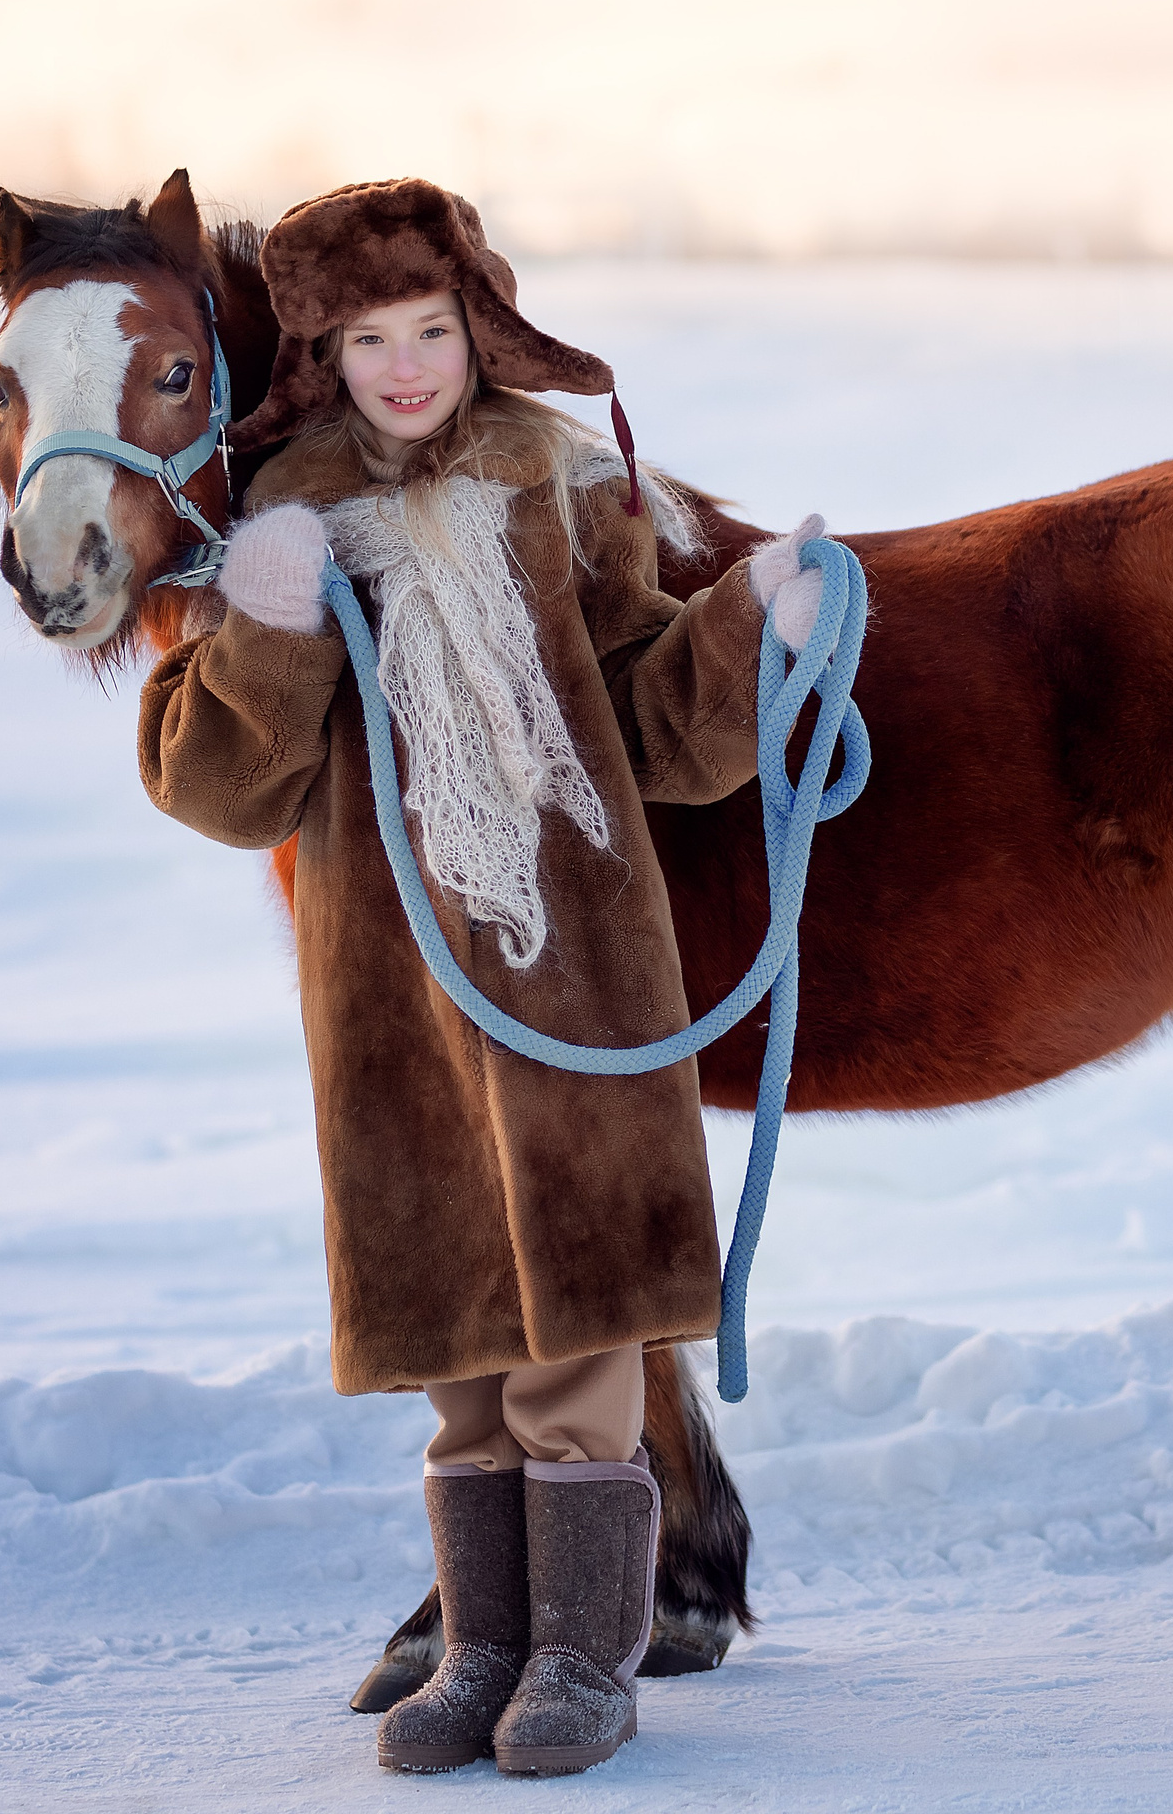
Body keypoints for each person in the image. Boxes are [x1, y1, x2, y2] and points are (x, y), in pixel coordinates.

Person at [136, 178, 825, 1777]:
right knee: (456, 1334)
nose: (403, 365)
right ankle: (485, 1642)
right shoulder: (289, 527)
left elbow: (659, 719)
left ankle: (589, 1652)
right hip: (397, 1008)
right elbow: (219, 785)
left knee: (578, 1338)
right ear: (319, 352)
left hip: (576, 979)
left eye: (429, 330)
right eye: (367, 337)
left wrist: (751, 628)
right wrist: (261, 628)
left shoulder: (563, 489)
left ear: (477, 332)